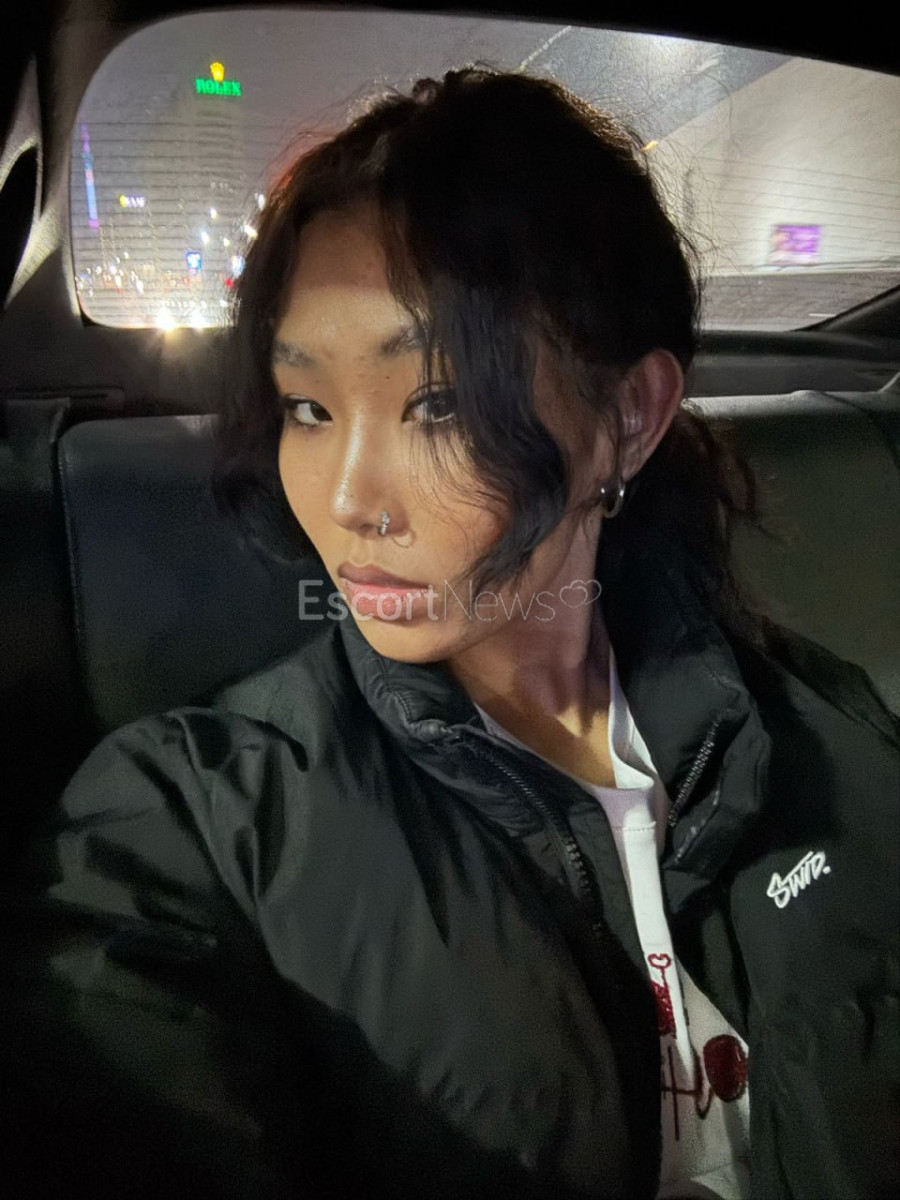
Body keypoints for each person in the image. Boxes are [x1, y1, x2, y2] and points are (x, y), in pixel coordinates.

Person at [1, 68, 897, 1200]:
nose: (347, 500)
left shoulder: (824, 732)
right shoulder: (198, 822)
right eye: (307, 408)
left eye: (439, 405)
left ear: (629, 416)